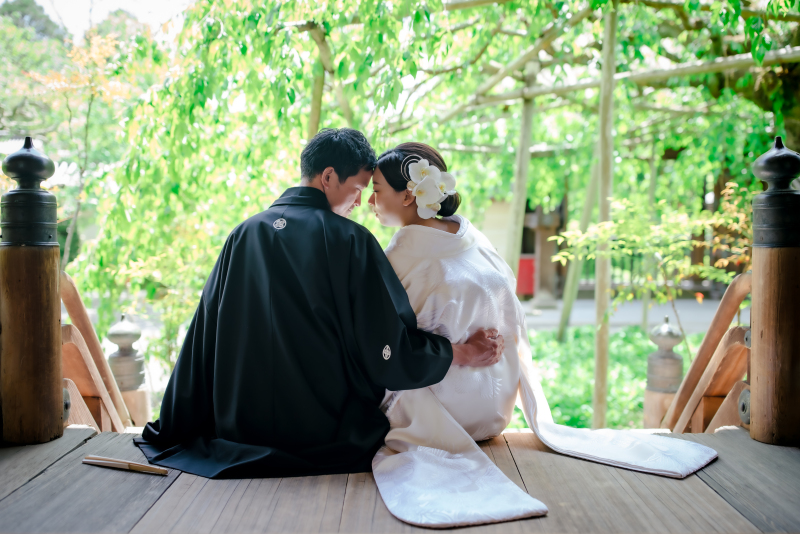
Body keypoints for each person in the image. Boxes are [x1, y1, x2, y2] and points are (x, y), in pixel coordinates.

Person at [365, 142, 719, 528]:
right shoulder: (472, 236)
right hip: (494, 406)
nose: (370, 200)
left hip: (443, 415)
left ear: (408, 195)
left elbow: (388, 346)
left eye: (377, 188)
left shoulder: (403, 253)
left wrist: (462, 352)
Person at [134, 129, 504, 479]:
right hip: (323, 435)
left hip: (237, 429)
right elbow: (387, 350)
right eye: (358, 189)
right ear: (328, 177)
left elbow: (205, 334)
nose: (361, 202)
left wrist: (182, 419)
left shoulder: (244, 233)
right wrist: (462, 353)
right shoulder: (351, 240)